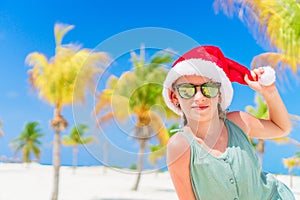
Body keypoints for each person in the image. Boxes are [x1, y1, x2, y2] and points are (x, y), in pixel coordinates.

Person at [162, 45, 295, 200]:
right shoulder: (180, 146)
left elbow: (282, 128)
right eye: (187, 90)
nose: (199, 97)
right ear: (174, 97)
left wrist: (269, 92)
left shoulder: (239, 122)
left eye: (209, 88)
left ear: (219, 94)